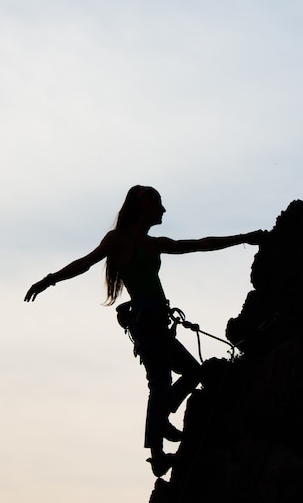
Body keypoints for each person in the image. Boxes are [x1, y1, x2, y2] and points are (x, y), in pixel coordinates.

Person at [25, 185, 262, 476]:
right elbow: (85, 263)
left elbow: (200, 243)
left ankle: (161, 425)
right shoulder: (119, 240)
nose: (163, 210)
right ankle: (157, 452)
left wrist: (244, 239)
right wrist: (48, 280)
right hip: (146, 322)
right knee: (161, 382)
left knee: (191, 373)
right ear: (143, 207)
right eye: (158, 204)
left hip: (157, 320)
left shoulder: (153, 243)